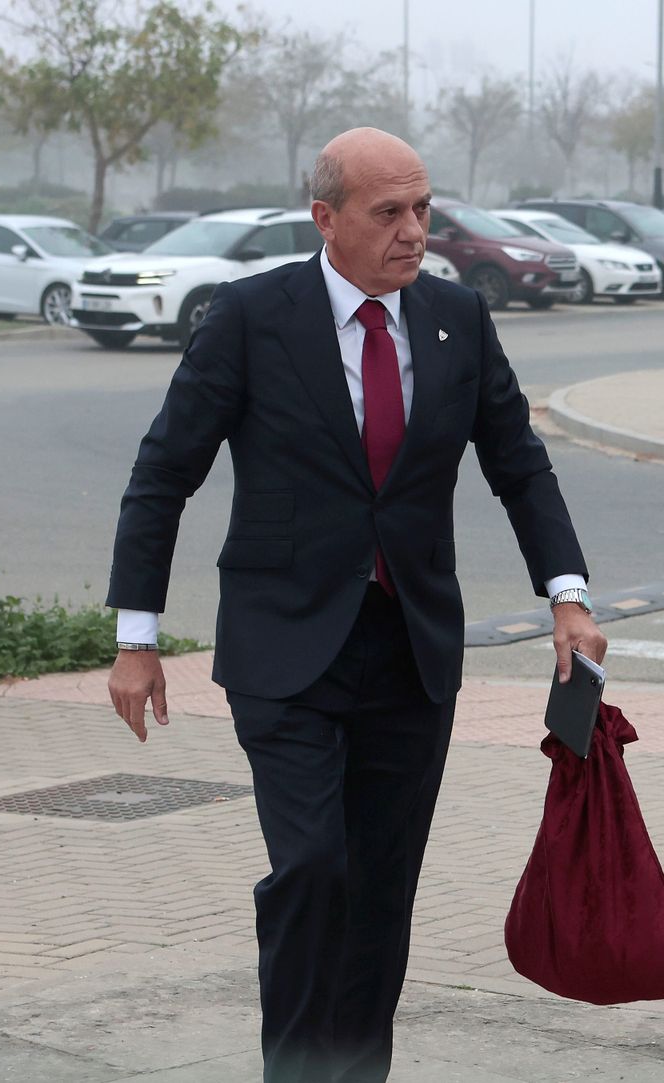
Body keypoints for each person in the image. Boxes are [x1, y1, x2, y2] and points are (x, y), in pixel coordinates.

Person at [104, 127, 607, 1083]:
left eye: (422, 209)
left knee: (381, 889)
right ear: (326, 219)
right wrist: (138, 637)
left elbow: (520, 464)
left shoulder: (457, 317)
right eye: (389, 213)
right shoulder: (252, 317)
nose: (414, 231)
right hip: (285, 651)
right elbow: (163, 474)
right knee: (312, 869)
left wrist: (568, 595)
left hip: (412, 652)